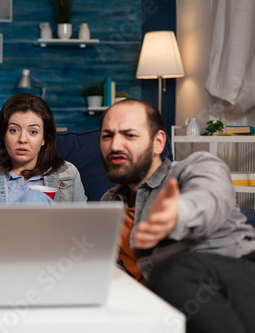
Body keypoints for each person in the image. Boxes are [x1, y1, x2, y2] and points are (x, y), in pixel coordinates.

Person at [99, 98, 255, 332]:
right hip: (165, 309)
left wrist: (178, 213)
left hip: (233, 281)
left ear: (158, 142)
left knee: (173, 272)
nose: (115, 145)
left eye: (129, 135)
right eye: (107, 135)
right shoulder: (109, 203)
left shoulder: (195, 167)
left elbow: (210, 197)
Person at [0, 93, 87, 204]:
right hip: (1, 232)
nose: (22, 139)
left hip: (53, 232)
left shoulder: (67, 173)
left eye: (33, 132)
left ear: (44, 139)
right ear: (4, 135)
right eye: (14, 130)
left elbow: (81, 223)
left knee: (35, 197)